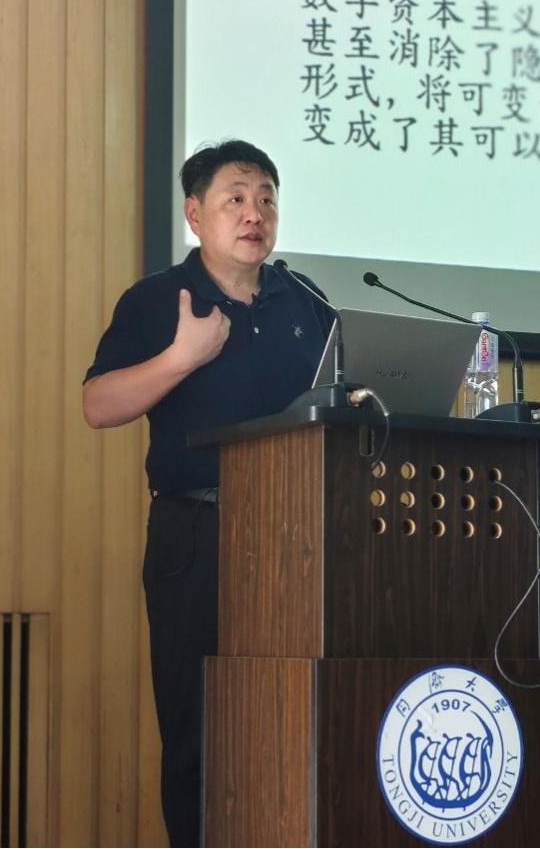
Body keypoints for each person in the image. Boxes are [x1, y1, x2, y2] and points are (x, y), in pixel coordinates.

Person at [83, 140, 334, 847]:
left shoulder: (307, 300)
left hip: (299, 537)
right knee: (197, 731)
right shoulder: (158, 299)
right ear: (195, 215)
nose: (255, 213)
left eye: (267, 199)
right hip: (196, 538)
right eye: (236, 198)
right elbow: (97, 405)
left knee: (297, 715)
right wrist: (181, 357)